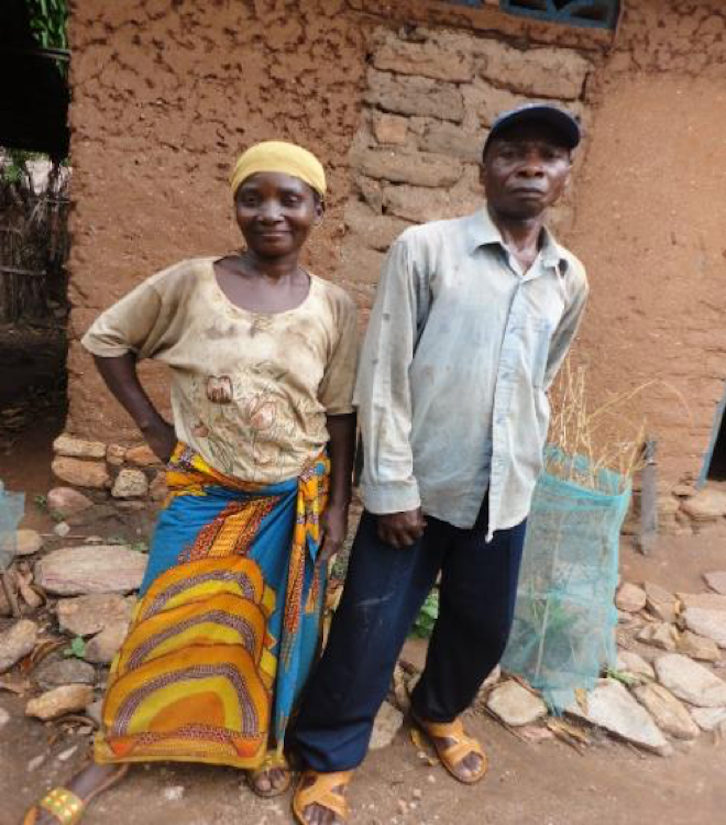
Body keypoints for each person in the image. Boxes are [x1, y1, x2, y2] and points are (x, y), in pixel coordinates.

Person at [23, 141, 358, 825]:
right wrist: (151, 427)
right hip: (206, 493)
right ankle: (115, 747)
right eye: (252, 196)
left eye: (290, 199)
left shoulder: (334, 306)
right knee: (164, 614)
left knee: (277, 625)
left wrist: (340, 506)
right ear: (234, 204)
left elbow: (342, 410)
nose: (270, 213)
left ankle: (260, 744)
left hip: (294, 496)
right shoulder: (187, 283)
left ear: (317, 209)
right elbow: (107, 338)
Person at [290, 104, 590, 825]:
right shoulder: (426, 250)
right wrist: (389, 485)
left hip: (504, 491)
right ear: (483, 166)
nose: (530, 166)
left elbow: (542, 376)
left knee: (481, 626)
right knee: (370, 626)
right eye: (513, 152)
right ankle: (328, 753)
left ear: (563, 175)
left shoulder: (566, 276)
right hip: (416, 491)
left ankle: (438, 709)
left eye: (548, 156)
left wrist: (519, 456)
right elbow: (385, 373)